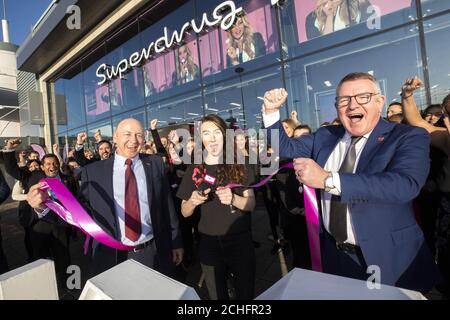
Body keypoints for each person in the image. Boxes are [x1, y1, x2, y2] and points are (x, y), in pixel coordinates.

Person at [261, 72, 439, 293]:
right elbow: (284, 148)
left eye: (363, 96)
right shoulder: (326, 136)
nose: (352, 105)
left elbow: (404, 184)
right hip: (334, 255)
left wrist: (327, 179)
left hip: (388, 258)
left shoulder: (407, 136)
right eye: (344, 100)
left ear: (379, 102)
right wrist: (270, 113)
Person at [27, 119, 183, 278]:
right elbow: (78, 214)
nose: (133, 140)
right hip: (109, 255)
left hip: (151, 252)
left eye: (139, 135)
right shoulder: (92, 172)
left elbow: (167, 205)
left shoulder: (155, 163)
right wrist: (43, 207)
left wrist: (176, 242)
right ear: (115, 137)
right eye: (127, 134)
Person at [177, 114, 256, 300]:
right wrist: (192, 202)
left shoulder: (240, 163)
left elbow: (251, 203)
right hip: (209, 243)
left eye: (216, 132)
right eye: (206, 133)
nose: (212, 138)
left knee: (245, 294)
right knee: (217, 296)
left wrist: (234, 199)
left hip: (240, 241)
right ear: (201, 138)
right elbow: (184, 211)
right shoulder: (196, 168)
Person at [4, 140, 77, 286]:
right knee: (40, 257)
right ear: (42, 167)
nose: (52, 166)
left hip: (60, 226)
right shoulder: (32, 177)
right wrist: (9, 150)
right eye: (48, 164)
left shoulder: (68, 180)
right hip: (39, 226)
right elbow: (12, 170)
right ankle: (43, 285)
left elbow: (75, 203)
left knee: (64, 257)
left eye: (55, 163)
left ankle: (70, 284)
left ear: (59, 165)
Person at [306, 0, 373, 40]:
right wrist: (330, 16)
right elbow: (320, 54)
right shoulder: (312, 18)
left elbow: (371, 38)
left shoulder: (362, 4)